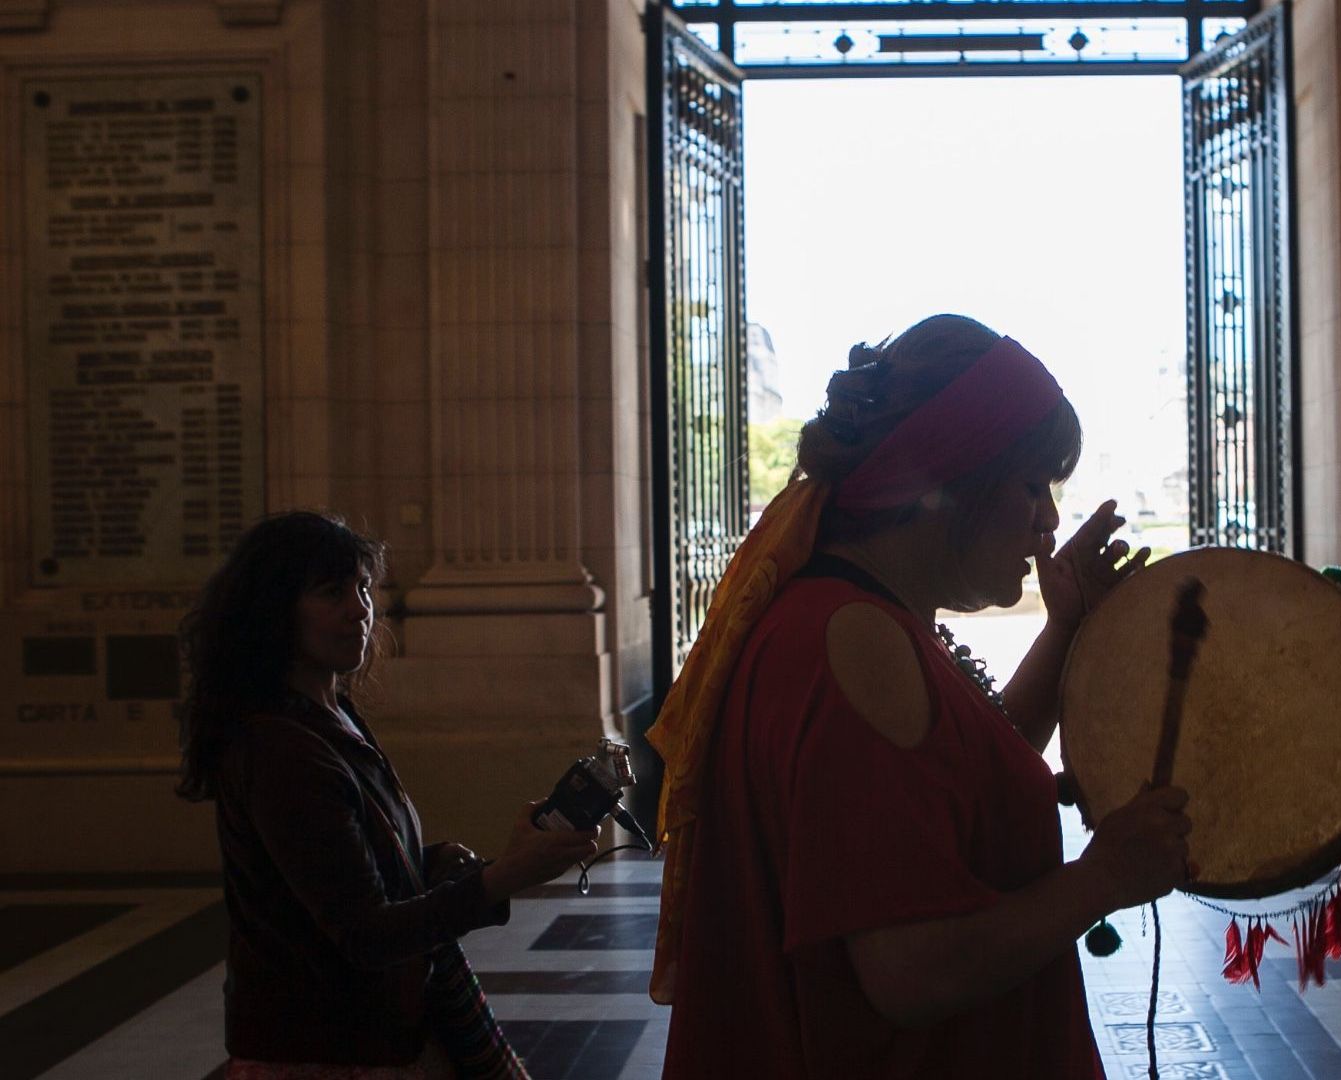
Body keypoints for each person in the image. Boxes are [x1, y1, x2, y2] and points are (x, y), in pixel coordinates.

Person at [647, 314, 1194, 1078]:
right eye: (1033, 483)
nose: (1050, 518)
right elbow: (910, 972)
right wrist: (1104, 878)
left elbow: (952, 770)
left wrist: (1067, 629)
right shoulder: (852, 643)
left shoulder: (853, 616)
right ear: (949, 478)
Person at [176, 511, 602, 1079]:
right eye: (333, 593)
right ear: (275, 613)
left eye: (363, 587)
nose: (362, 609)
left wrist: (433, 864)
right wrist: (505, 877)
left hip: (368, 1033)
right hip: (320, 1051)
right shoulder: (282, 749)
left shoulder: (330, 715)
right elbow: (364, 932)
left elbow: (345, 873)